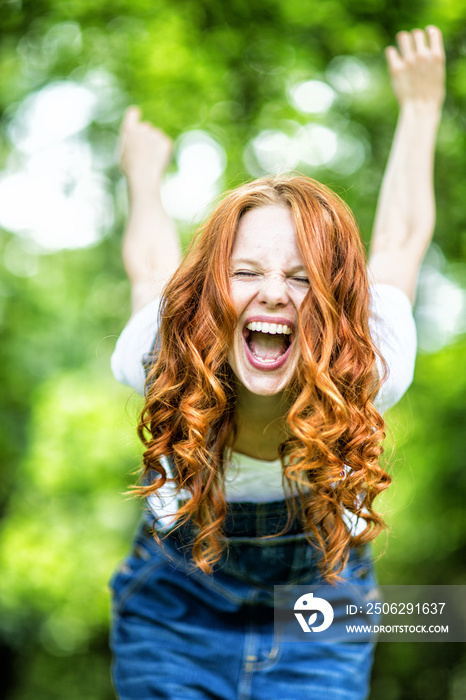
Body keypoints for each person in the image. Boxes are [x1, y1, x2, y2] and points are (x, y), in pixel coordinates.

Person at [109, 26, 445, 700]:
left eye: (301, 278)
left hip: (320, 615)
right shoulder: (162, 349)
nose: (272, 294)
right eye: (247, 272)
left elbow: (402, 238)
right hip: (175, 613)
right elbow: (150, 264)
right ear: (210, 294)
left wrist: (420, 108)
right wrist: (142, 178)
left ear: (334, 302)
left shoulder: (370, 358)